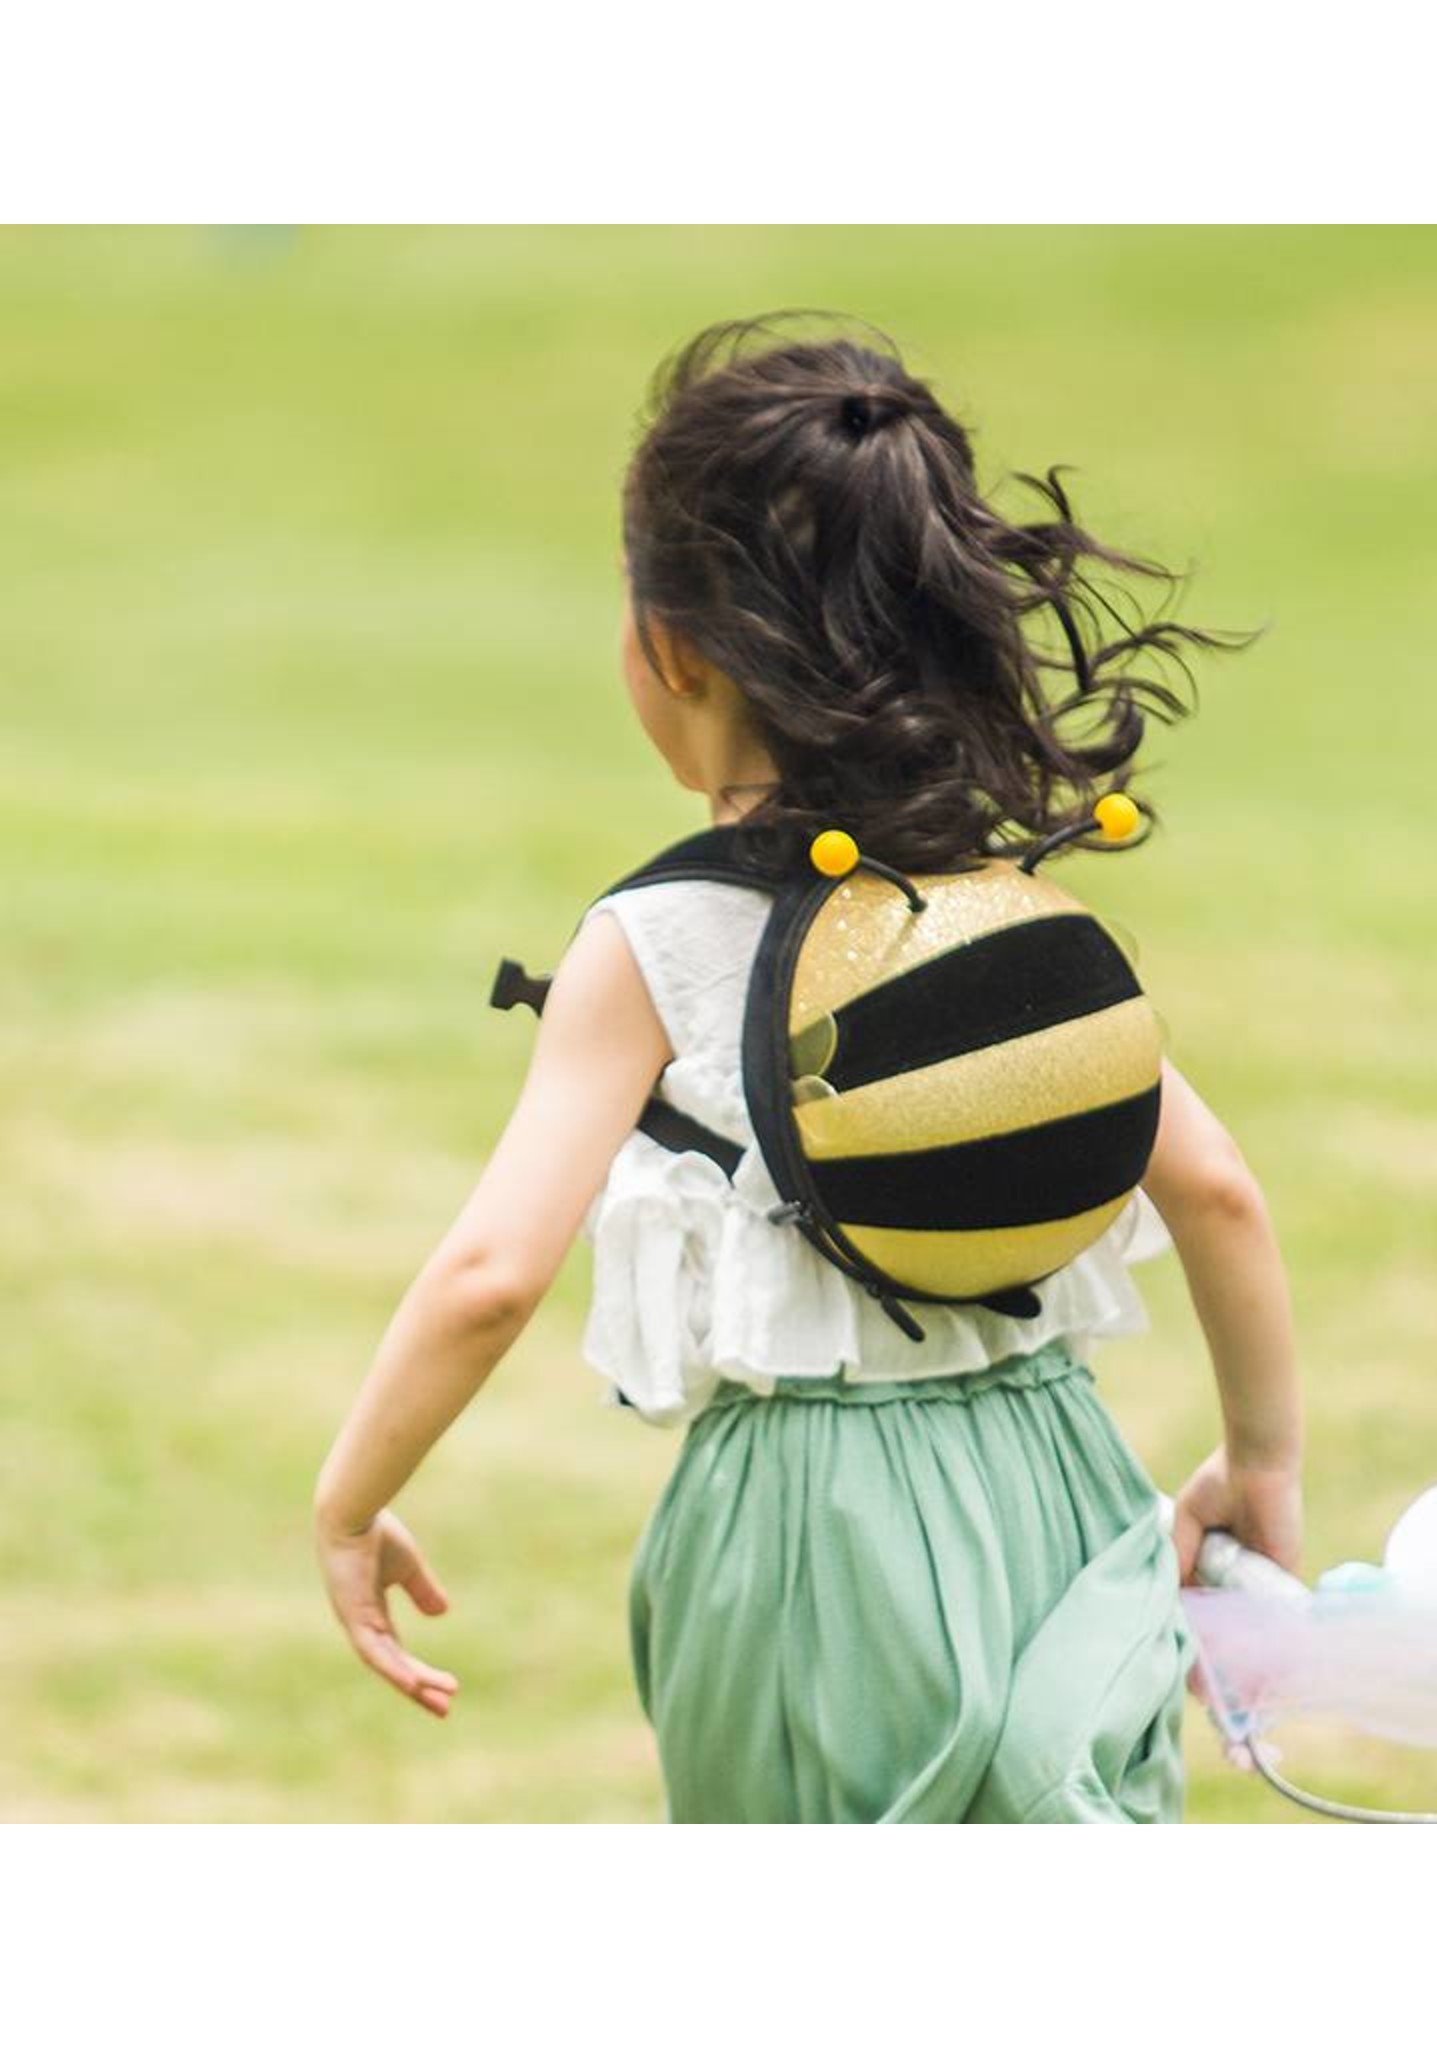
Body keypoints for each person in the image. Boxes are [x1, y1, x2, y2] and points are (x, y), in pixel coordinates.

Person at [313, 311, 1305, 1822]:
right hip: (1061, 1479)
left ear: (672, 650)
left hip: (805, 1532)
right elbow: (1220, 1194)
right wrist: (1256, 1466)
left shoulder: (655, 939)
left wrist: (350, 1499)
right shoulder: (997, 906)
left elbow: (488, 1278)